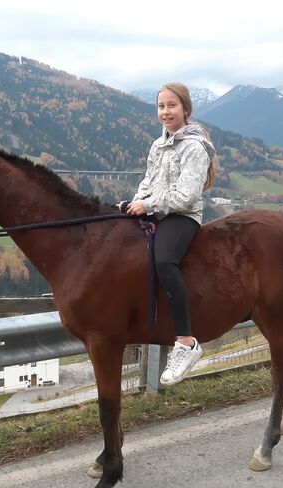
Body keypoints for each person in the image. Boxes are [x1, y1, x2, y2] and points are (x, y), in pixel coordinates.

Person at [118, 82, 216, 385]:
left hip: (181, 216)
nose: (165, 112)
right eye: (161, 107)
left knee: (163, 262)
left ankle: (186, 341)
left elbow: (186, 197)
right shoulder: (157, 145)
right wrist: (135, 203)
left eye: (171, 106)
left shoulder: (195, 147)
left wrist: (146, 205)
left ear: (185, 109)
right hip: (156, 209)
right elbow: (148, 182)